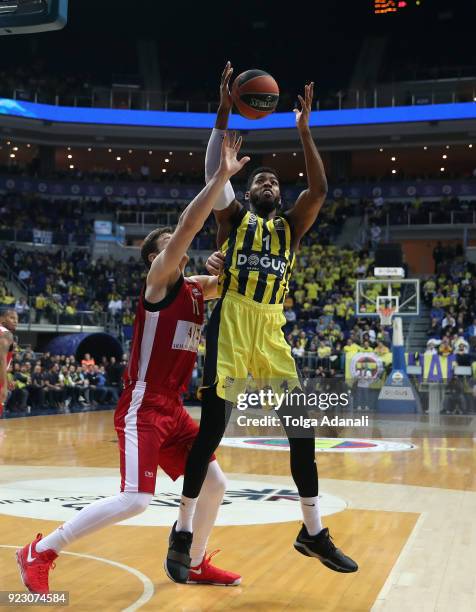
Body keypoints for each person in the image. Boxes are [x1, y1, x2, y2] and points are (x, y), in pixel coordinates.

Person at [16, 132, 249, 594]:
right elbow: (187, 227)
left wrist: (234, 260)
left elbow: (241, 283)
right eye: (170, 245)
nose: (180, 248)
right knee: (137, 499)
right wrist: (219, 177)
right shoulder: (159, 281)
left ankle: (195, 561)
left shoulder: (197, 289)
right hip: (144, 404)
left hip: (176, 410)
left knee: (216, 483)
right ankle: (41, 551)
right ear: (156, 257)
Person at [167, 62, 357, 581]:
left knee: (303, 431)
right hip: (230, 324)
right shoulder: (233, 220)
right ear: (249, 193)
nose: (269, 183)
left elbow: (318, 189)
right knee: (210, 433)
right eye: (261, 180)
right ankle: (183, 530)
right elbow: (214, 171)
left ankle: (313, 532)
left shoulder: (291, 227)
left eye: (275, 180)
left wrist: (304, 130)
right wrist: (225, 107)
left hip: (271, 330)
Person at [0, 307, 17, 418]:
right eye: (12, 318)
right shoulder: (6, 334)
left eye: (17, 319)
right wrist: (4, 386)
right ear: (2, 319)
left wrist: (7, 378)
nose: (15, 321)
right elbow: (1, 360)